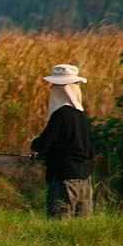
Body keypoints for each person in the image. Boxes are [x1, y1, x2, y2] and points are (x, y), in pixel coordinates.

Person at [30, 64, 95, 218]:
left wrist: (35, 143)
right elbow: (90, 151)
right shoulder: (84, 117)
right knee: (81, 229)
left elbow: (42, 144)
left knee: (59, 224)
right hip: (85, 180)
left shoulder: (60, 115)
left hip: (63, 179)